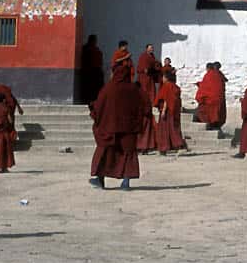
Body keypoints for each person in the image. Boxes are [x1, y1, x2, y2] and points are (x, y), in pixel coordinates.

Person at [90, 58, 146, 190]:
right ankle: (126, 182)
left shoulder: (109, 88)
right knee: (128, 153)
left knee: (105, 152)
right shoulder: (134, 89)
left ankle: (100, 180)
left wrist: (95, 113)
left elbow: (99, 106)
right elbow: (141, 107)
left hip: (110, 127)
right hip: (129, 128)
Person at [153, 71, 186, 155]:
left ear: (167, 78)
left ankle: (165, 148)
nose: (162, 79)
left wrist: (164, 110)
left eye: (163, 77)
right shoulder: (175, 86)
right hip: (174, 112)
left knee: (164, 130)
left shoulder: (167, 86)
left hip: (168, 112)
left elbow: (166, 99)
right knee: (174, 129)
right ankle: (176, 146)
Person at [195, 62, 226, 129]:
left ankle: (208, 123)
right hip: (219, 99)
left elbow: (205, 87)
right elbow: (212, 86)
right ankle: (215, 125)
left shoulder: (209, 75)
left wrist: (199, 85)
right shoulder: (220, 75)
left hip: (210, 99)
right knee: (217, 113)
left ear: (208, 68)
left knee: (203, 109)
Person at [79, 34, 104, 103]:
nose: (95, 42)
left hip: (94, 71)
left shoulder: (93, 49)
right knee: (91, 88)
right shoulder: (87, 49)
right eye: (95, 40)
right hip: (90, 71)